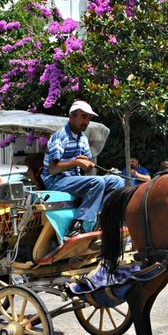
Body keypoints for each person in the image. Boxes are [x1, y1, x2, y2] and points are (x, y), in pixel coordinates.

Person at [41, 100, 125, 239]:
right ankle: (80, 225)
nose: (86, 121)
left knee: (117, 181)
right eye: (83, 117)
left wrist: (86, 163)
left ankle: (101, 218)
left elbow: (87, 168)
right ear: (71, 117)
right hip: (57, 181)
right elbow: (52, 169)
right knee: (97, 182)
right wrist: (76, 162)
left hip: (74, 180)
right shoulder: (61, 137)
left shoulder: (83, 139)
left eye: (89, 118)